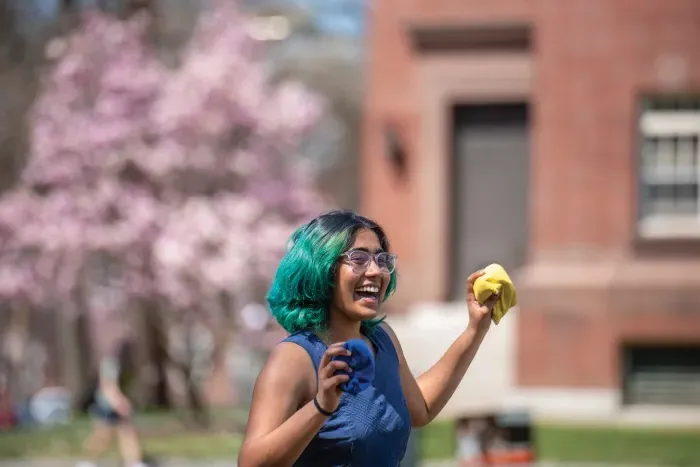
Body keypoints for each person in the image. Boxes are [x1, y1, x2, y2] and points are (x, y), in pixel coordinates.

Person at [238, 210, 500, 467]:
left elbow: (420, 408)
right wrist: (321, 407)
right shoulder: (294, 358)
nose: (376, 271)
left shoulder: (383, 339)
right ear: (322, 269)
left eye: (382, 260)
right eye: (359, 259)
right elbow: (251, 463)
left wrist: (475, 329)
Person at [77, 339, 146, 467]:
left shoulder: (124, 365)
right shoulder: (110, 364)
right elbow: (108, 386)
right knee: (103, 435)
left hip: (114, 402)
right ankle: (88, 461)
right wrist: (120, 403)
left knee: (127, 433)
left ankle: (134, 462)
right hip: (107, 404)